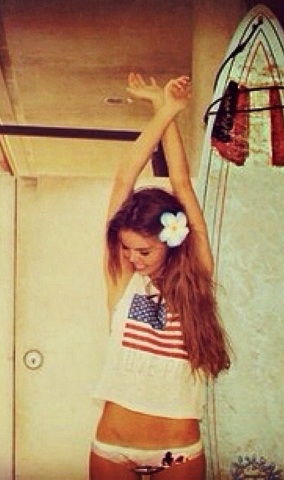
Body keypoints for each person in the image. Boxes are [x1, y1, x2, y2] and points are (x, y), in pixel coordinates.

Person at [90, 73, 230, 480]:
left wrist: (169, 110)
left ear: (170, 241)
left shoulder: (197, 274)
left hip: (177, 452)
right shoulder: (122, 279)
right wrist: (163, 110)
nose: (133, 258)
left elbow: (181, 184)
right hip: (113, 446)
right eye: (127, 248)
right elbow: (124, 179)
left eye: (144, 251)